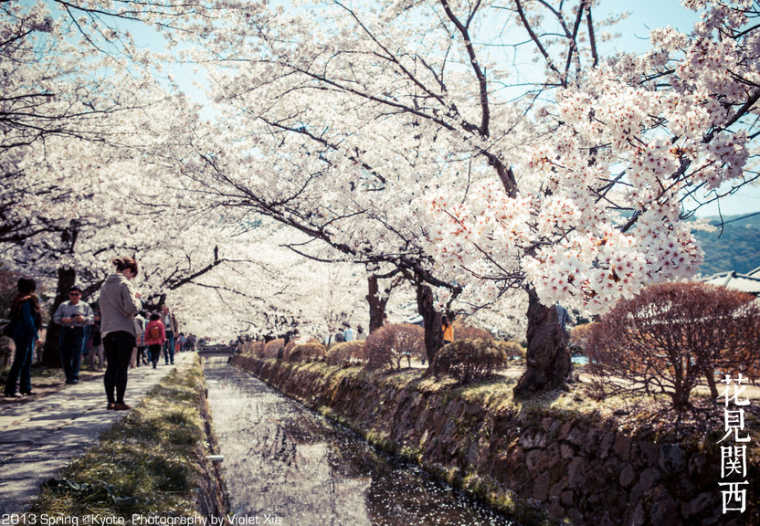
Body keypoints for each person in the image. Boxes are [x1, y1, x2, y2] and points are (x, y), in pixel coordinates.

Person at [99, 257, 141, 411]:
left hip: (107, 330)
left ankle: (110, 401)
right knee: (122, 367)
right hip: (124, 329)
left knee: (111, 366)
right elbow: (131, 308)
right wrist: (138, 301)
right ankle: (120, 401)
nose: (131, 277)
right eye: (132, 274)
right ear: (128, 270)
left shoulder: (104, 286)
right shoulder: (125, 284)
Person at [4, 278, 42, 397]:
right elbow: (28, 320)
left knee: (27, 360)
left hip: (21, 333)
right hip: (24, 334)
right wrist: (36, 336)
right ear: (32, 287)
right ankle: (11, 388)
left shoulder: (19, 299)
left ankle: (26, 387)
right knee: (20, 360)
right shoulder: (27, 301)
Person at [53, 286, 94, 384]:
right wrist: (62, 319)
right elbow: (55, 318)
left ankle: (74, 376)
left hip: (79, 330)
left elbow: (92, 319)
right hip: (66, 330)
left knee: (77, 354)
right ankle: (68, 376)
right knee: (65, 354)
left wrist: (83, 319)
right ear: (69, 295)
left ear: (80, 295)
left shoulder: (85, 306)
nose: (74, 296)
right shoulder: (63, 305)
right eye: (72, 294)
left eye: (76, 294)